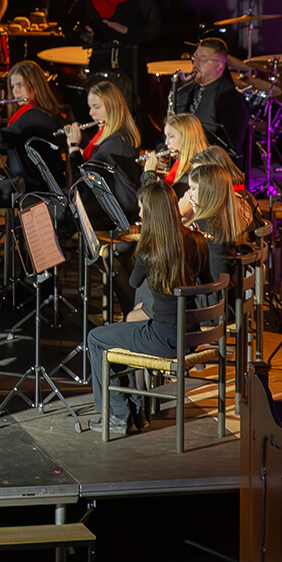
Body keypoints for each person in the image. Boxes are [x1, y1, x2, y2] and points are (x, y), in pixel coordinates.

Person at [85, 178, 214, 432]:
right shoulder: (197, 241)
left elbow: (133, 282)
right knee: (119, 337)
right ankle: (134, 412)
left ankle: (117, 415)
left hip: (163, 339)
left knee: (97, 338)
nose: (140, 213)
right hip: (191, 336)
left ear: (154, 212)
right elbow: (208, 282)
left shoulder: (150, 250)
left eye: (143, 208)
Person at [0, 60, 67, 212]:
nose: (15, 90)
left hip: (31, 186)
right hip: (20, 178)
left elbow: (0, 140)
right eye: (13, 86)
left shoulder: (36, 116)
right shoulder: (28, 115)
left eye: (20, 85)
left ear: (34, 85)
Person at [64, 78, 143, 218]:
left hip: (117, 216)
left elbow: (84, 183)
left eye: (96, 107)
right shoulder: (115, 138)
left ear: (112, 107)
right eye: (90, 107)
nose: (91, 113)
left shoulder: (115, 142)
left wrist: (74, 147)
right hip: (110, 211)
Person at [169, 39, 249, 152]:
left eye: (202, 60)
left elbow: (229, 147)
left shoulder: (231, 99)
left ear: (218, 66)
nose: (195, 64)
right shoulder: (185, 92)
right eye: (195, 57)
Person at [148, 113, 211, 196]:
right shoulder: (181, 161)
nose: (166, 143)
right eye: (166, 137)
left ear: (186, 138)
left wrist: (149, 174)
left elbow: (157, 202)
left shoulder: (197, 170)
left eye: (171, 136)